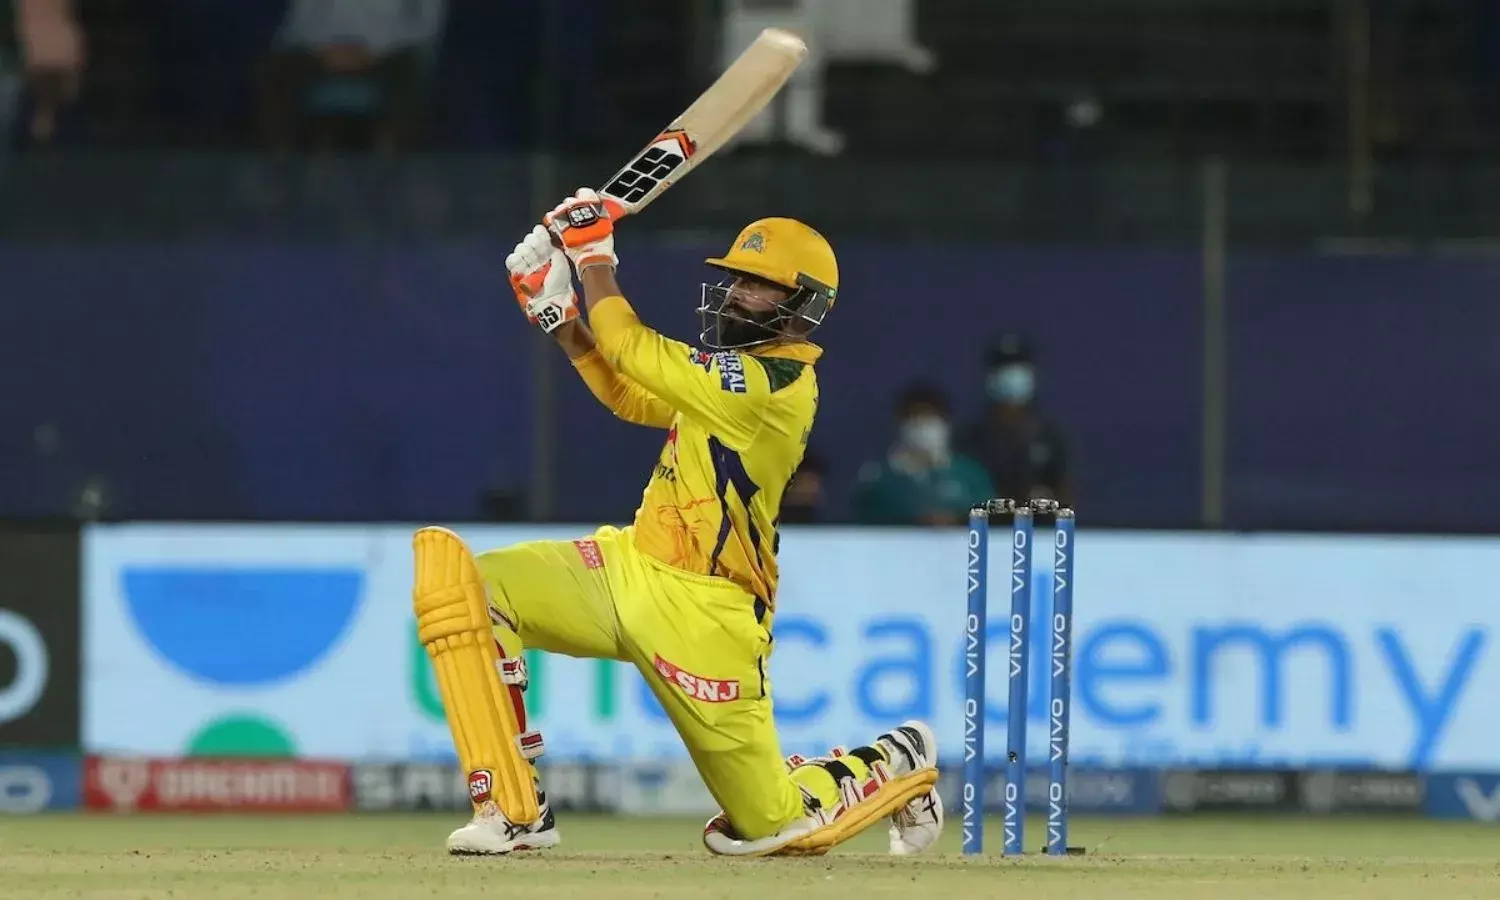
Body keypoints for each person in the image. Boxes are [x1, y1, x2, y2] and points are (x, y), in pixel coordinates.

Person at [412, 190, 942, 857]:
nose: (736, 294)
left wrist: (594, 259)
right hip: (628, 568)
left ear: (802, 306)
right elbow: (630, 394)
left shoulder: (772, 386)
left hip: (706, 613)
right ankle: (515, 810)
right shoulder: (727, 375)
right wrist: (563, 321)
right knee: (469, 589)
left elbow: (629, 346)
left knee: (770, 827)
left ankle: (896, 757)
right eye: (737, 279)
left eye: (759, 286)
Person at [855, 383, 994, 525]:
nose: (924, 426)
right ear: (900, 423)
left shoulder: (970, 473)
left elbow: (991, 513)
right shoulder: (877, 477)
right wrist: (915, 519)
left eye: (932, 417)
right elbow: (867, 518)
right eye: (915, 417)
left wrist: (958, 519)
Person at [960, 332, 1072, 505]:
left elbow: (1066, 491)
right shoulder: (970, 437)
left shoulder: (1051, 437)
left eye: (1019, 367)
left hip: (1040, 521)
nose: (1012, 375)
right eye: (1004, 368)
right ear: (990, 378)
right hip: (988, 520)